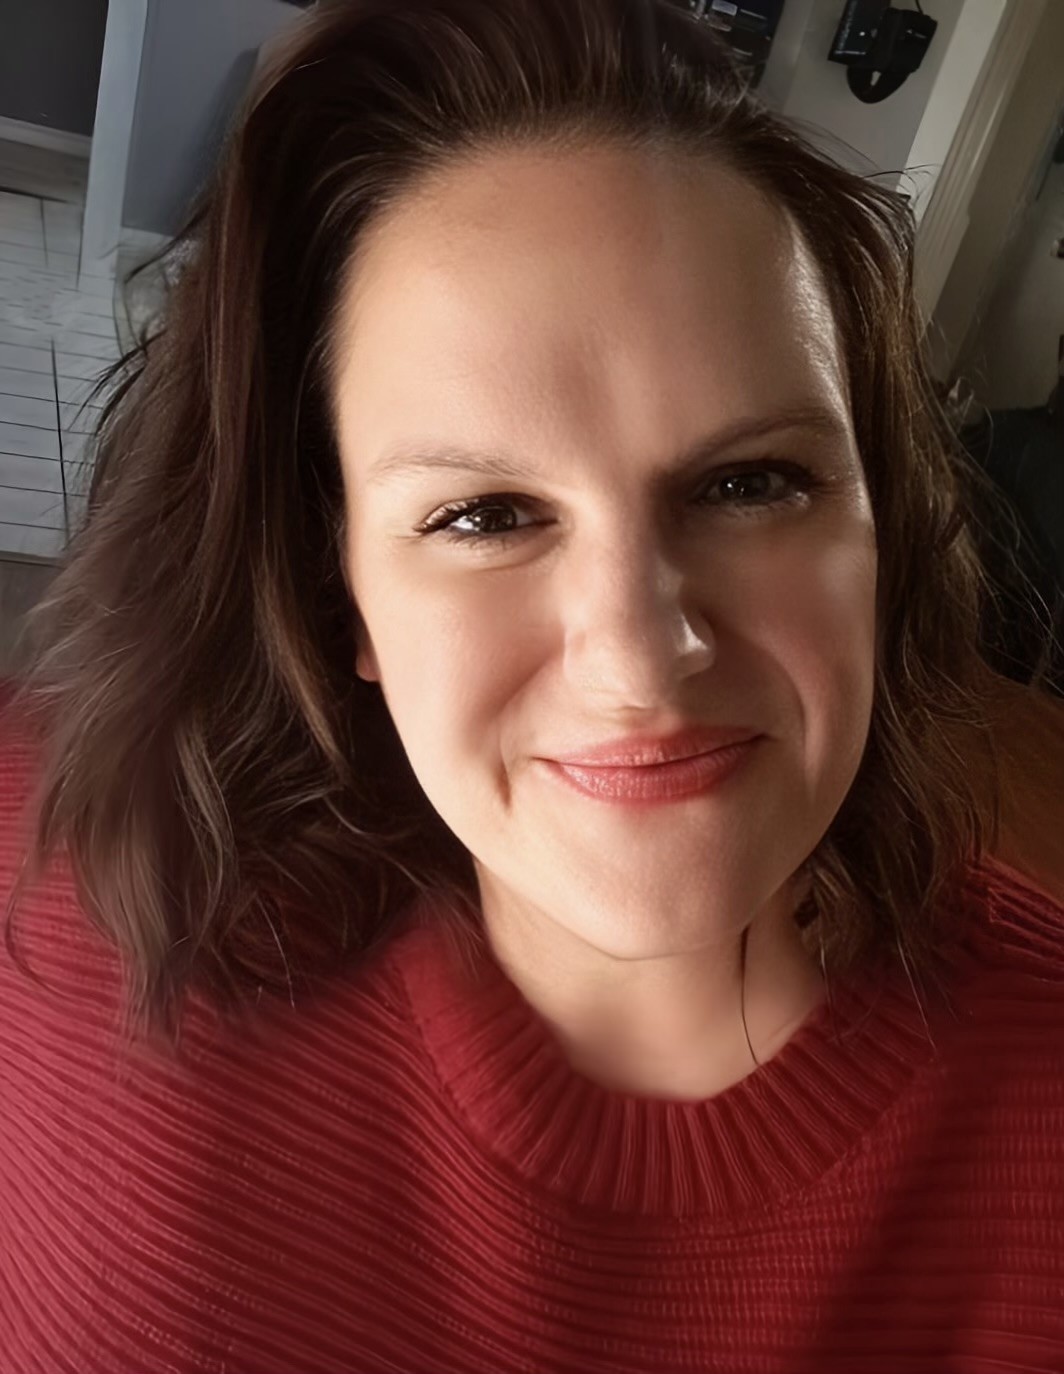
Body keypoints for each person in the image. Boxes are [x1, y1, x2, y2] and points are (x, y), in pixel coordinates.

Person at [2, 1, 1063, 1369]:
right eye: (484, 515)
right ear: (343, 600)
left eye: (749, 484)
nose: (640, 656)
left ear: (880, 532)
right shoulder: (55, 867)